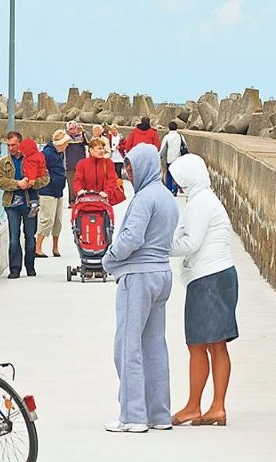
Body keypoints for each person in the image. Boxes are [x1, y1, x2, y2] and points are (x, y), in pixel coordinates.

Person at [101, 143, 179, 433]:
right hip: (161, 275)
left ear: (145, 165)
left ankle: (132, 415)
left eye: (131, 167)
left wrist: (109, 258)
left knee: (127, 346)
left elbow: (131, 239)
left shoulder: (144, 198)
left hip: (139, 277)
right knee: (155, 346)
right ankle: (159, 415)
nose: (128, 173)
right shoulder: (168, 197)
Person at [167, 154, 239, 427]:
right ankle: (215, 406)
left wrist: (159, 247)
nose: (178, 183)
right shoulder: (205, 199)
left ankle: (195, 406)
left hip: (209, 279)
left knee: (198, 345)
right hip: (219, 277)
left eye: (179, 177)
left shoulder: (201, 203)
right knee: (215, 345)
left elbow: (190, 243)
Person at [0, 131, 50, 279]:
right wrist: (17, 184)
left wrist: (33, 183)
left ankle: (30, 266)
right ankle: (15, 269)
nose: (10, 148)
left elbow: (45, 178)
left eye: (13, 145)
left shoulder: (34, 158)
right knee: (14, 238)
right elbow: (1, 182)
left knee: (30, 237)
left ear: (20, 144)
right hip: (11, 204)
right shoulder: (4, 163)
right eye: (8, 145)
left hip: (30, 203)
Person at [35, 129, 70, 258]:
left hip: (58, 191)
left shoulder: (60, 153)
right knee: (47, 219)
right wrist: (49, 180)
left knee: (57, 221)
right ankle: (37, 247)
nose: (67, 146)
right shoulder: (47, 153)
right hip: (47, 191)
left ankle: (55, 247)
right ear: (60, 143)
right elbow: (41, 170)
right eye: (65, 143)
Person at [73, 138, 125, 206]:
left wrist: (107, 192)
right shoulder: (82, 163)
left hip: (104, 199)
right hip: (86, 199)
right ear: (91, 150)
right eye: (99, 148)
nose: (102, 151)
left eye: (103, 148)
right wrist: (79, 191)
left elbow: (112, 180)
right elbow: (77, 180)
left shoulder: (108, 163)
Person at [18, 137, 47, 218]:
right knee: (35, 192)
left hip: (33, 178)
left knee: (31, 192)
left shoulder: (30, 159)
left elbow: (32, 170)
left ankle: (34, 205)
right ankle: (35, 203)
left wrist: (31, 179)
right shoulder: (39, 155)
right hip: (40, 175)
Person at [64, 121, 89, 207]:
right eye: (71, 128)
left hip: (81, 164)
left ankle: (82, 199)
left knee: (82, 183)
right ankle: (72, 201)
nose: (73, 130)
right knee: (71, 184)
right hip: (69, 164)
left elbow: (90, 141)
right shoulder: (65, 137)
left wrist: (83, 131)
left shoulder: (82, 136)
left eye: (75, 128)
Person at [159, 121, 183, 196]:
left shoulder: (167, 137)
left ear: (169, 128)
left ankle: (169, 190)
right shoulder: (180, 136)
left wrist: (159, 157)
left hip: (170, 158)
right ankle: (175, 190)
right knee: (176, 175)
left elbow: (163, 149)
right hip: (178, 159)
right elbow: (185, 146)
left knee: (169, 174)